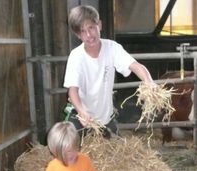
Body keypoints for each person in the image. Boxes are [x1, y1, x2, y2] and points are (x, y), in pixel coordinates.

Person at [63, 4, 155, 138]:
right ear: (78, 35)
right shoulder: (76, 56)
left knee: (117, 152)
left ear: (99, 25)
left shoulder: (112, 48)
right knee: (72, 151)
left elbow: (135, 65)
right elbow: (72, 91)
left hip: (106, 119)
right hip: (81, 118)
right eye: (83, 31)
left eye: (91, 28)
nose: (89, 35)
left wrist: (149, 81)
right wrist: (82, 112)